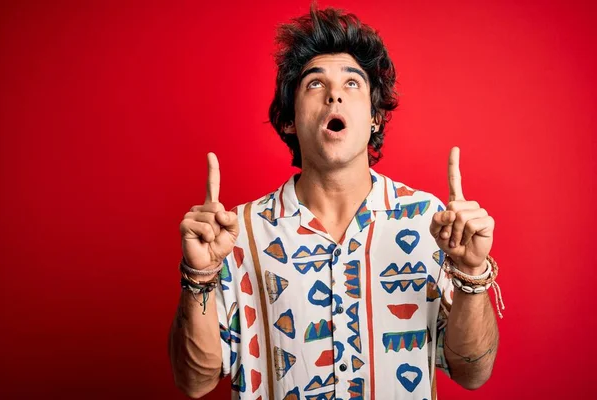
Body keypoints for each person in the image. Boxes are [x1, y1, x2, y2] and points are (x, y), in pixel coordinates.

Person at [168, 5, 502, 400]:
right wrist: (199, 275)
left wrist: (471, 272)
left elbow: (472, 373)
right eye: (314, 84)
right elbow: (195, 381)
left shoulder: (432, 222)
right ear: (290, 119)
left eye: (352, 83)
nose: (334, 95)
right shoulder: (236, 233)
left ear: (375, 118)